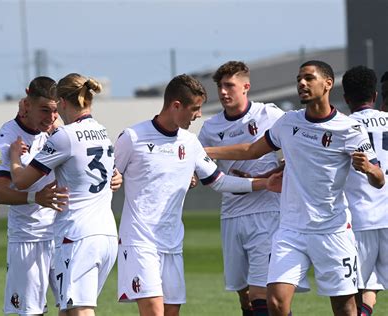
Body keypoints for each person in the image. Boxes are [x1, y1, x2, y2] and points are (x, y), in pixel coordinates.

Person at [205, 60, 385, 316]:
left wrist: (368, 168)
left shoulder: (350, 128)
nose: (302, 83)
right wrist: (202, 151)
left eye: (309, 78)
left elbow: (379, 179)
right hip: (291, 230)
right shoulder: (288, 123)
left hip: (332, 231)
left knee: (345, 308)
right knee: (276, 302)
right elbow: (251, 150)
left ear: (328, 84)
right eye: (299, 79)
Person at [114, 74, 281, 316]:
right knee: (153, 311)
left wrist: (264, 183)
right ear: (176, 106)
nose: (199, 115)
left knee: (171, 311)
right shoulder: (132, 137)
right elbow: (108, 174)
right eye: (195, 108)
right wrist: (114, 178)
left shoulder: (190, 142)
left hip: (172, 242)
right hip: (140, 241)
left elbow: (219, 181)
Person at [9, 73, 118, 316]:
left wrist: (15, 156)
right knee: (67, 309)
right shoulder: (103, 132)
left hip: (77, 235)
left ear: (62, 102)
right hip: (107, 234)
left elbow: (20, 180)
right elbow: (113, 174)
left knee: (80, 310)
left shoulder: (64, 137)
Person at [198, 61, 285, 316]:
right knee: (244, 295)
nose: (223, 92)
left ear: (246, 86)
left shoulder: (269, 115)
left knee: (261, 293)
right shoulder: (210, 128)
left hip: (267, 212)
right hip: (232, 214)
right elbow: (199, 166)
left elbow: (293, 157)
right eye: (220, 86)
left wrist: (268, 175)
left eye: (229, 86)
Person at [0, 76, 68, 315]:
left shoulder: (56, 133)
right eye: (45, 110)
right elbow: (1, 193)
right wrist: (36, 198)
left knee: (74, 307)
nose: (51, 117)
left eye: (55, 111)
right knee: (31, 312)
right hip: (28, 238)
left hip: (61, 235)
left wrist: (114, 176)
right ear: (28, 104)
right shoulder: (6, 139)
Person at [342, 65, 388, 316]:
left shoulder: (342, 126)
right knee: (373, 284)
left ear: (346, 98)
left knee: (355, 286)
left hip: (360, 217)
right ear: (375, 95)